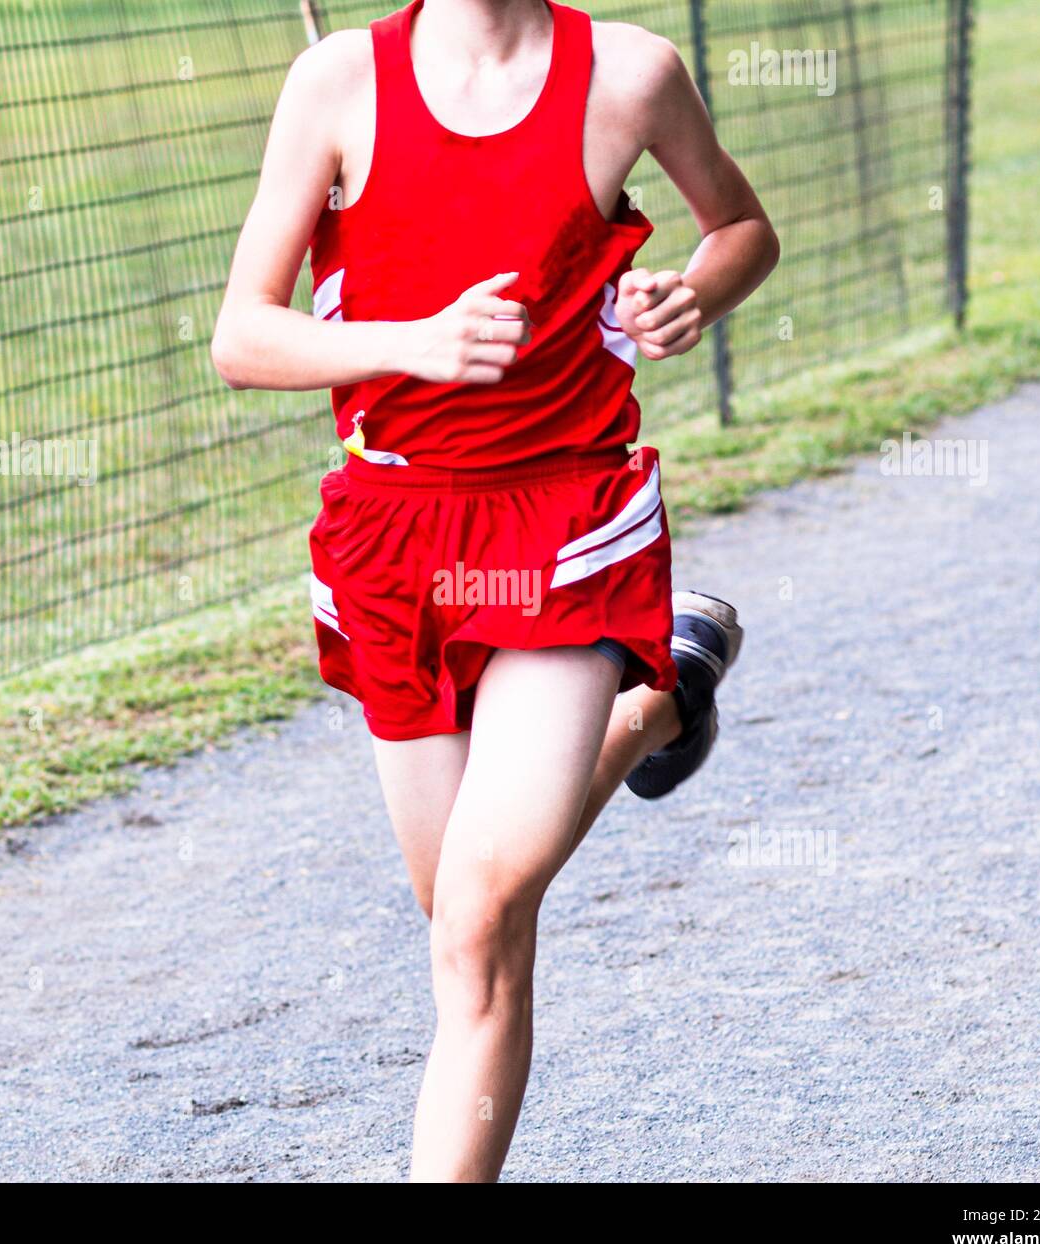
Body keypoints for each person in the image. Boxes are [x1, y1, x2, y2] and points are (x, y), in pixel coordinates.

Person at [212, 0, 778, 1182]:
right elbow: (242, 338)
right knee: (469, 912)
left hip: (565, 526)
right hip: (394, 535)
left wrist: (696, 292)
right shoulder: (334, 84)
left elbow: (741, 228)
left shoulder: (629, 72)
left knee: (475, 922)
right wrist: (406, 342)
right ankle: (655, 704)